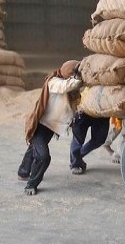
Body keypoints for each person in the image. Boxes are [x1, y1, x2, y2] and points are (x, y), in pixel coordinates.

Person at [19, 60, 83, 195]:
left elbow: (74, 104)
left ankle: (23, 171)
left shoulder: (72, 92)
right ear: (69, 74)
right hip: (40, 126)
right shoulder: (54, 82)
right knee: (43, 156)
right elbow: (67, 86)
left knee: (34, 148)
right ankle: (31, 184)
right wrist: (78, 77)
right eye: (74, 73)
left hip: (51, 127)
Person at [69, 98, 110, 174]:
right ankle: (75, 164)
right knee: (78, 140)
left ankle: (77, 157)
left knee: (99, 140)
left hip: (102, 112)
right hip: (83, 110)